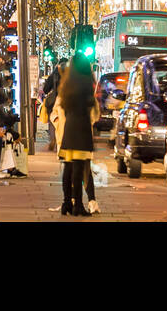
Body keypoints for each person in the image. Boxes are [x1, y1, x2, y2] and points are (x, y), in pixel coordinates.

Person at [51, 53, 99, 216]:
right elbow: (91, 106)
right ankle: (78, 205)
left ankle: (66, 203)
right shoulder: (85, 84)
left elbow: (63, 105)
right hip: (81, 128)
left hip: (69, 129)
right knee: (79, 169)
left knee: (68, 167)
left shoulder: (67, 84)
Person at [41, 59, 65, 152]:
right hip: (65, 101)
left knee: (53, 120)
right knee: (63, 122)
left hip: (53, 101)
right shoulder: (70, 76)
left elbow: (46, 89)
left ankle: (53, 138)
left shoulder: (54, 75)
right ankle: (61, 139)